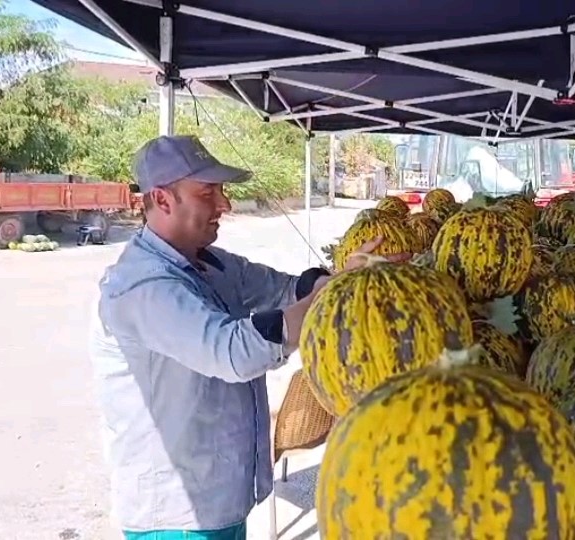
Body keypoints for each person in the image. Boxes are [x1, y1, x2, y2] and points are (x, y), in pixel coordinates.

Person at [89, 135, 404, 540]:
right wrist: (330, 298)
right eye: (208, 193)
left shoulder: (210, 263)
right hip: (177, 516)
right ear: (163, 200)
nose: (225, 205)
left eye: (222, 191)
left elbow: (286, 289)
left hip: (218, 501)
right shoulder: (142, 287)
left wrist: (341, 279)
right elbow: (232, 352)